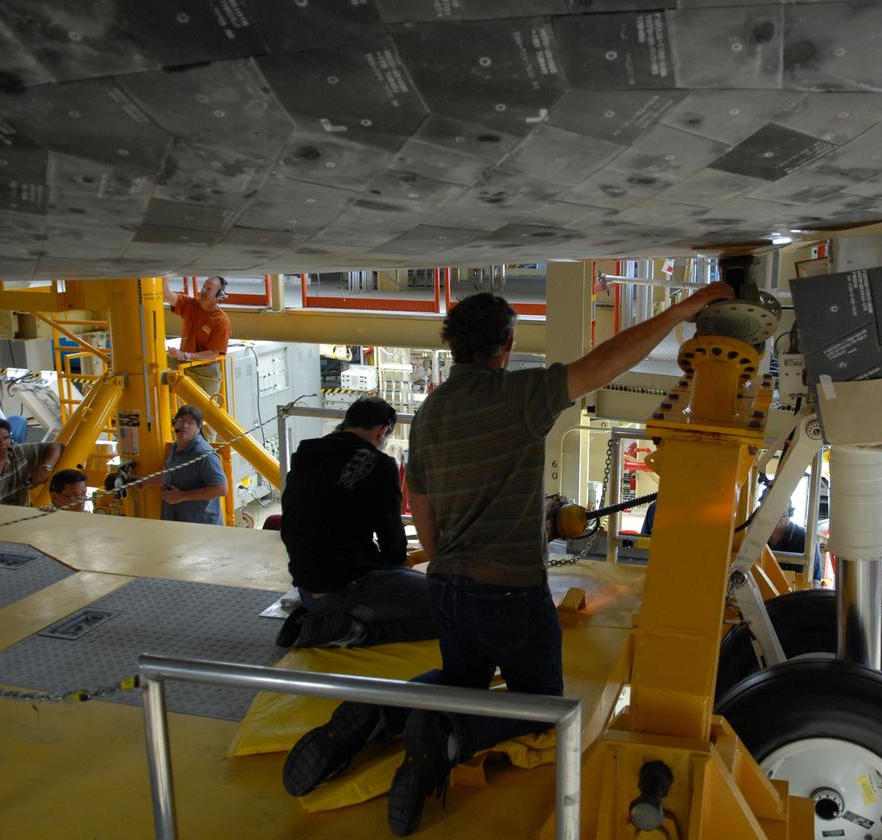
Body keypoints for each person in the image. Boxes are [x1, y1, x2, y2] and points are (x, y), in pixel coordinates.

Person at [276, 282, 732, 830]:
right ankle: (449, 737)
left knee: (463, 679)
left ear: (453, 346)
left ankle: (377, 714)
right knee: (538, 701)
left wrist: (445, 559)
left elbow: (417, 498)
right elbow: (603, 364)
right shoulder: (519, 397)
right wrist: (681, 311)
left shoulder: (432, 412)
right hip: (509, 588)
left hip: (449, 586)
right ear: (506, 344)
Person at [275, 397, 437, 655]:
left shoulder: (306, 454)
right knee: (454, 606)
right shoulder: (380, 465)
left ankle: (319, 615)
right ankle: (356, 631)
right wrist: (395, 577)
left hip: (306, 585)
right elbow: (392, 542)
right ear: (383, 431)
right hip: (348, 587)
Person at [155, 405, 228, 524]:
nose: (184, 426)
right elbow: (170, 476)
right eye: (181, 421)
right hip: (178, 524)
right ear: (174, 424)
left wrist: (181, 496)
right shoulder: (175, 448)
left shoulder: (204, 454)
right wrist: (142, 483)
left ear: (198, 428)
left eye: (190, 422)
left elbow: (221, 489)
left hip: (202, 527)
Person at [162, 276, 231, 399]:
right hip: (184, 363)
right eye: (203, 287)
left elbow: (212, 354)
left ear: (219, 295)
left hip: (205, 373)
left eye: (209, 289)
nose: (203, 291)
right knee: (156, 359)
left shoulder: (221, 321)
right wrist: (162, 272)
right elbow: (166, 294)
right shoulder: (191, 304)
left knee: (204, 413)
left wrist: (184, 355)